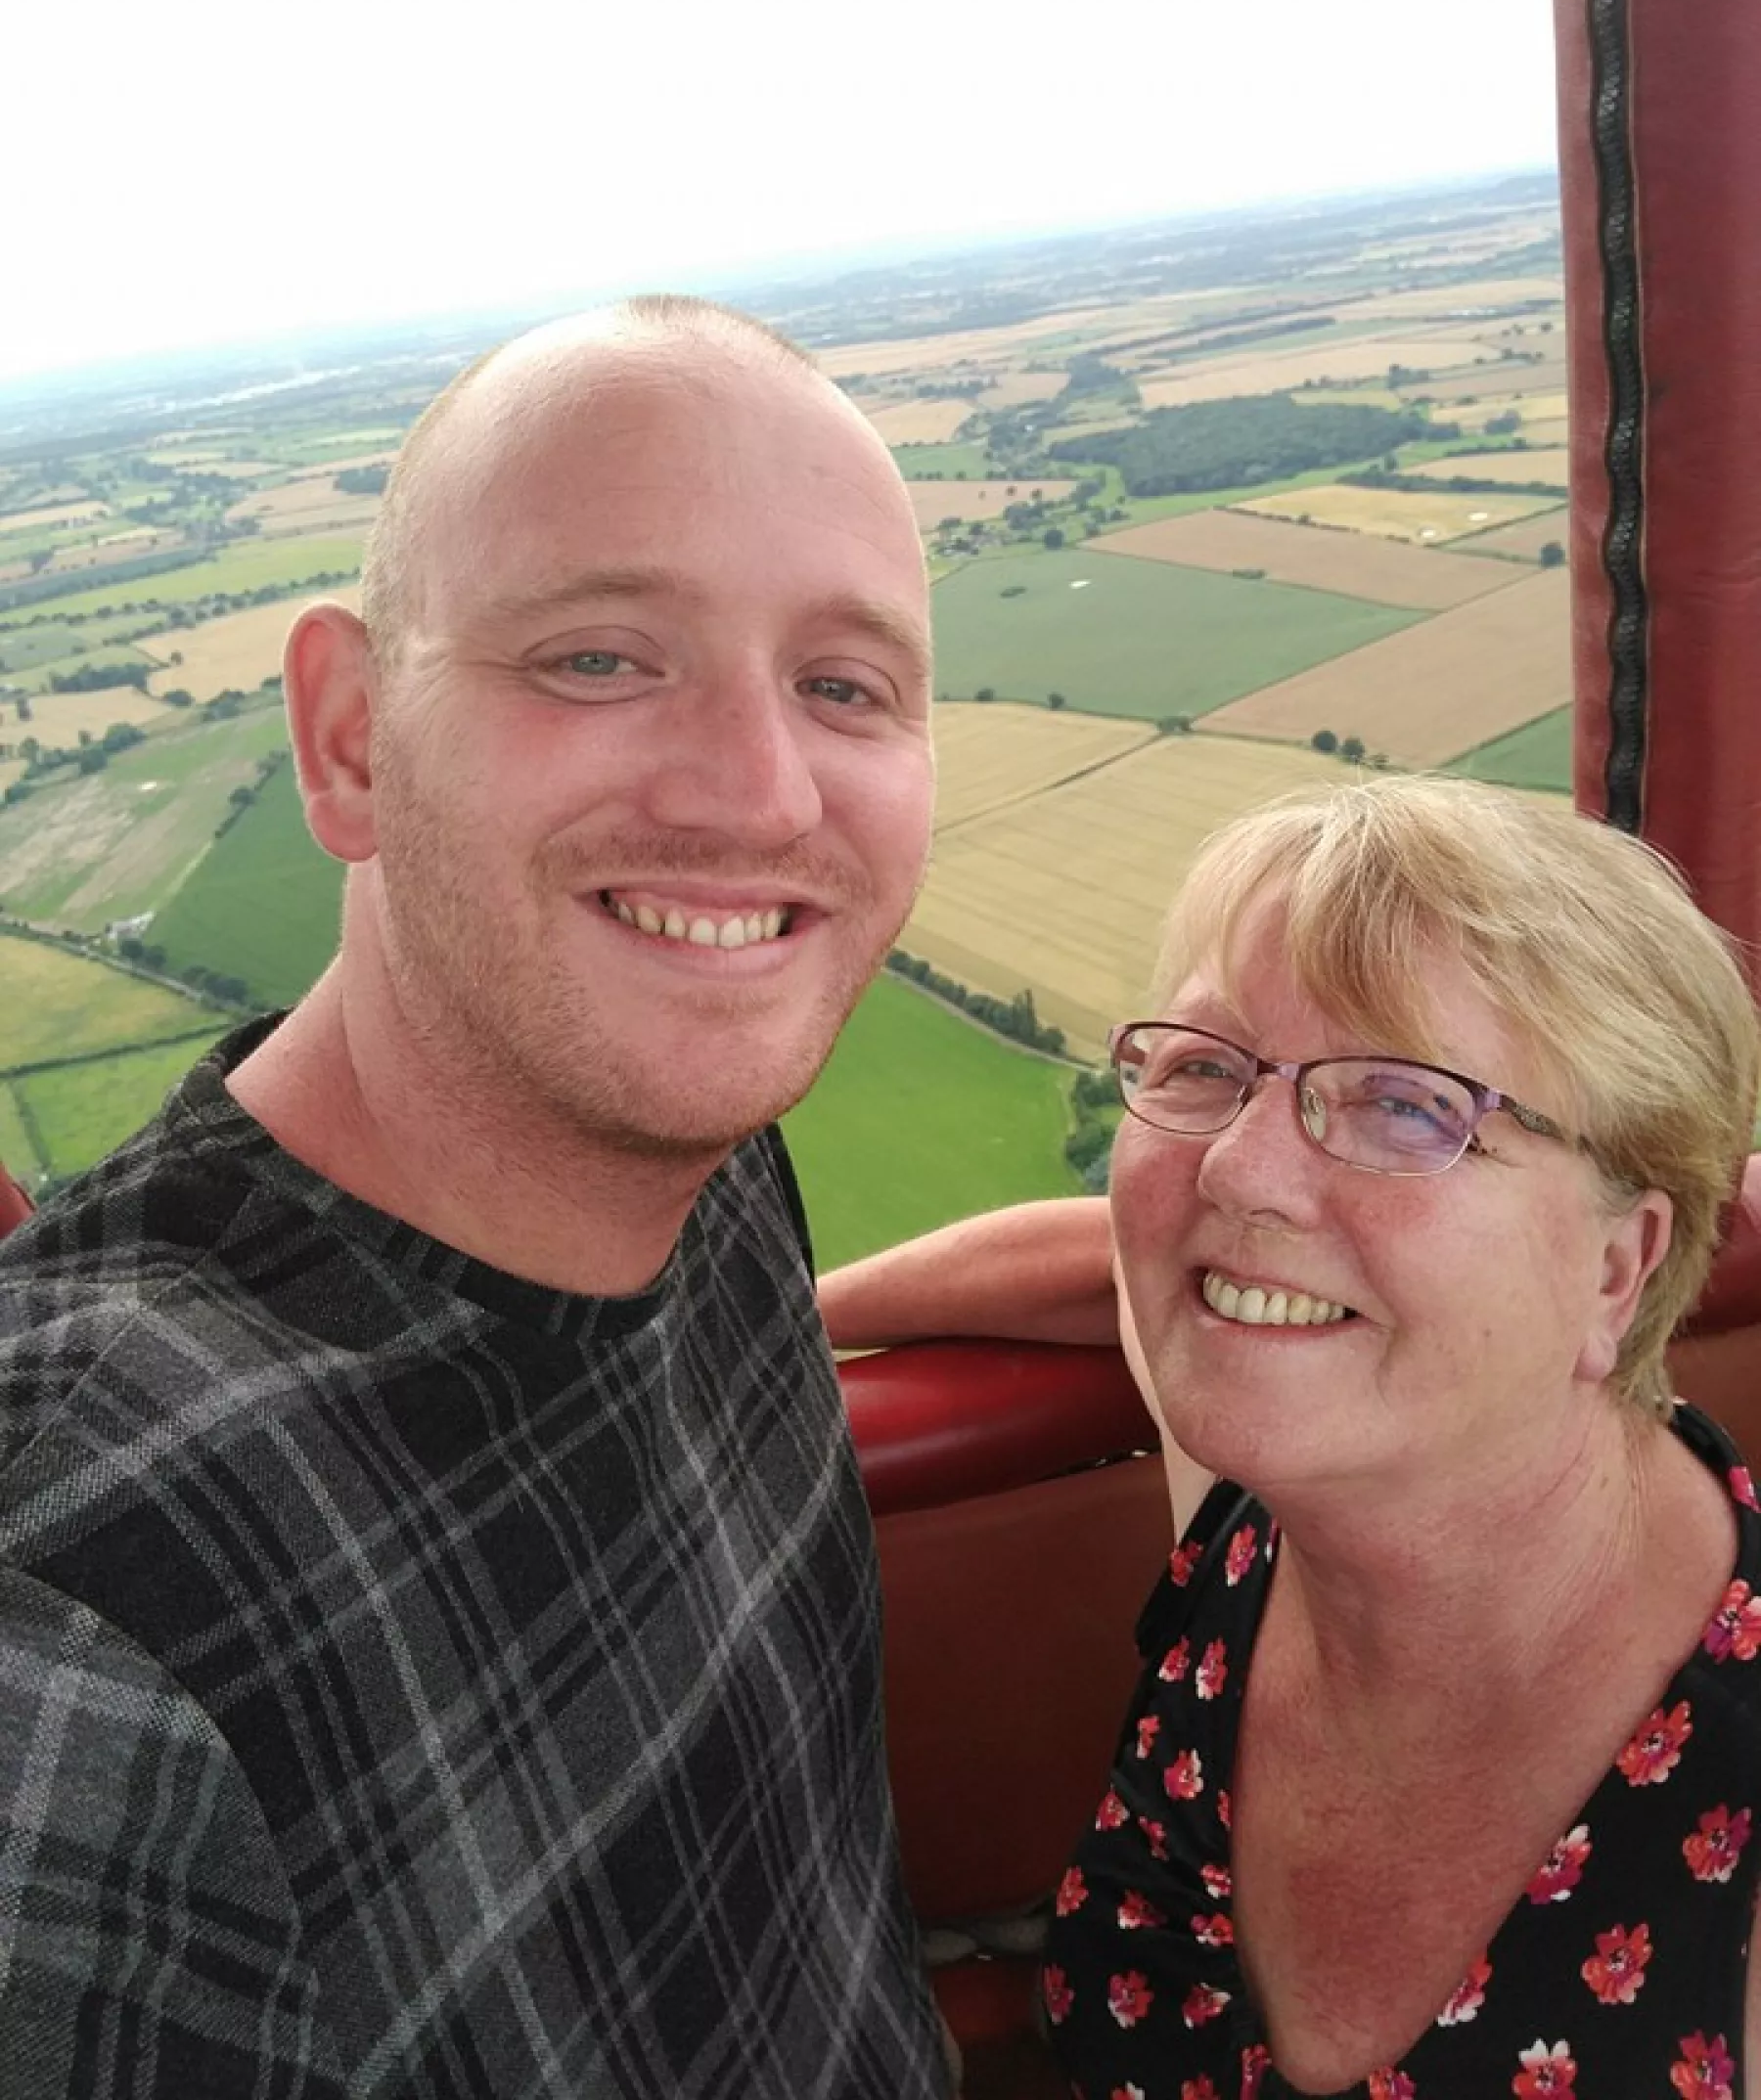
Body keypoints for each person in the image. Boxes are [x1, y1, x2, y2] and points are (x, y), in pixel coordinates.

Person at [0, 297, 974, 2098]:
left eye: (844, 687)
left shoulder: (703, 1173)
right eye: (601, 658)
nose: (759, 793)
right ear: (353, 739)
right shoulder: (86, 1624)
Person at [1034, 777, 1761, 2098]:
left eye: (1406, 1105)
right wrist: (803, 1316)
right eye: (1207, 1069)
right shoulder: (1265, 1469)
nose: (1238, 1173)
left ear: (1617, 1269)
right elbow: (1109, 1257)